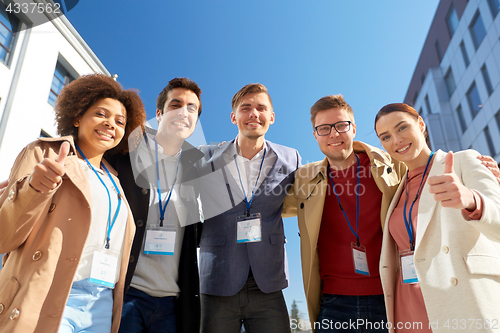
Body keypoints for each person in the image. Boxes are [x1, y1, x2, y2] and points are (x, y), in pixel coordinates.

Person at [282, 95, 500, 333]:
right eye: (324, 128)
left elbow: (434, 170)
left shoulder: (390, 165)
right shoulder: (305, 178)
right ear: (315, 135)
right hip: (337, 302)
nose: (334, 134)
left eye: (341, 125)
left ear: (353, 129)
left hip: (389, 296)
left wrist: (473, 196)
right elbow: (269, 206)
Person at [0, 74, 146, 333]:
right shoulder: (43, 152)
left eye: (119, 121)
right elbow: (4, 237)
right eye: (101, 114)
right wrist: (35, 188)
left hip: (101, 304)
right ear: (77, 117)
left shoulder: (116, 182)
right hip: (49, 293)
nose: (110, 124)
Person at [374, 103, 500, 333]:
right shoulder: (396, 191)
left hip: (458, 299)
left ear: (421, 124)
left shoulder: (465, 161)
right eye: (386, 137)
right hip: (407, 304)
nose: (396, 140)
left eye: (402, 128)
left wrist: (471, 200)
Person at [196, 83, 301, 333]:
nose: (254, 113)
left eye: (261, 108)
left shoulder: (291, 158)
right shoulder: (204, 156)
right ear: (234, 117)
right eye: (246, 108)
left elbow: (305, 202)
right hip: (218, 279)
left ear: (271, 117)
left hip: (268, 281)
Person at [108, 77, 204, 333]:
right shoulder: (126, 152)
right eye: (176, 104)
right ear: (159, 113)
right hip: (126, 294)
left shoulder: (199, 170)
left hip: (171, 305)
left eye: (192, 108)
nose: (184, 112)